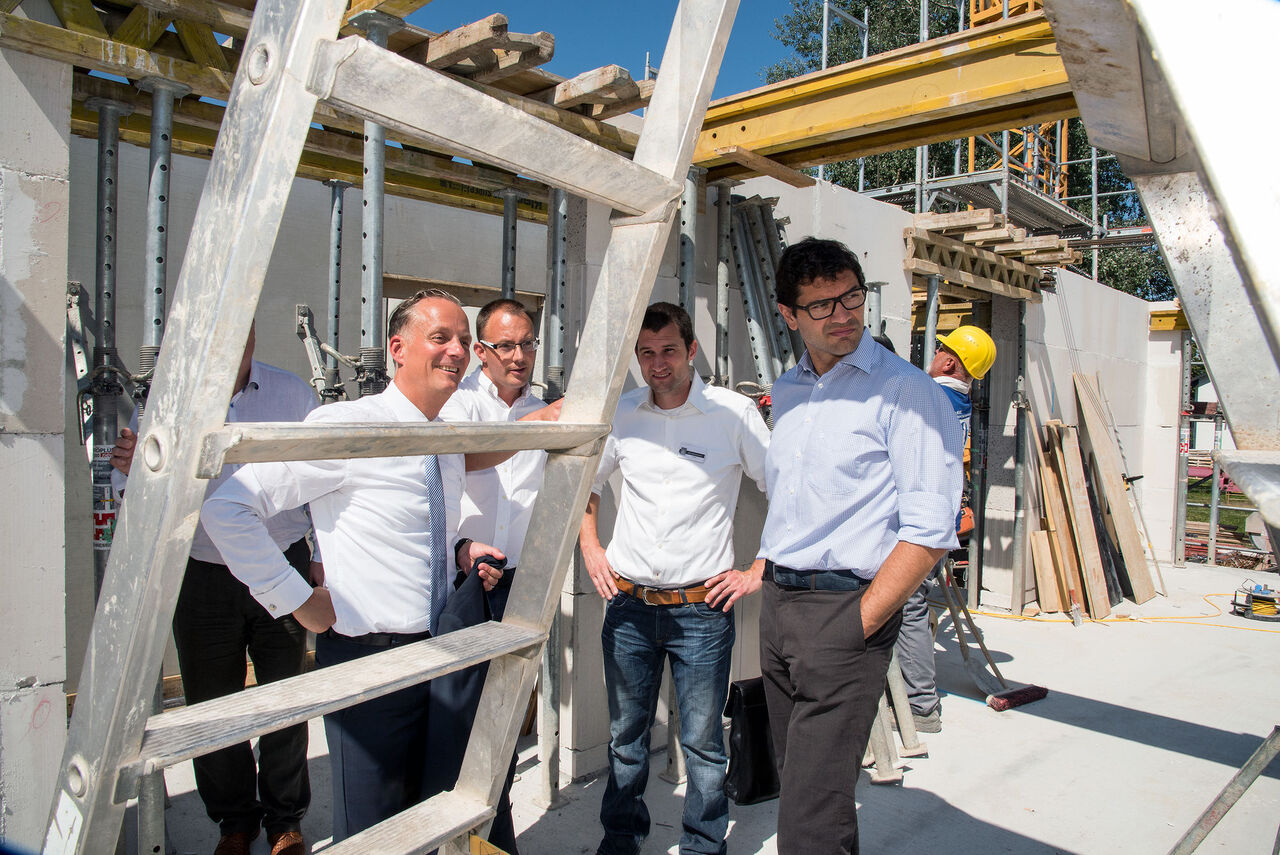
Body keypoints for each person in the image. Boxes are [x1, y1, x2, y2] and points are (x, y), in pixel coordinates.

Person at [202, 290, 509, 843]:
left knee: (444, 820)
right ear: (397, 348)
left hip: (440, 656)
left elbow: (418, 526)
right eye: (441, 338)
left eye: (464, 340)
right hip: (374, 670)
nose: (457, 351)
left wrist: (463, 552)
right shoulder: (347, 427)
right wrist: (294, 599)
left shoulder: (443, 439)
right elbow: (229, 507)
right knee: (376, 833)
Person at [753, 238, 964, 855]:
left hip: (845, 613)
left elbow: (929, 530)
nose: (843, 314)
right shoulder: (789, 390)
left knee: (808, 823)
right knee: (801, 787)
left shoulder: (905, 391)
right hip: (780, 607)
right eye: (822, 306)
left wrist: (860, 623)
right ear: (790, 316)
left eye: (851, 297)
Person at [110, 323, 318, 855]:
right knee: (210, 703)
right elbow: (128, 480)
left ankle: (284, 821)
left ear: (254, 334)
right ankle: (234, 823)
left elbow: (325, 479)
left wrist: (319, 560)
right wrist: (135, 475)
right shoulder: (170, 399)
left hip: (281, 563)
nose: (231, 341)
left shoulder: (292, 394)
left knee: (286, 697)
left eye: (244, 330)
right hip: (202, 570)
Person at [579, 301, 771, 855]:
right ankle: (620, 842)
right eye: (645, 353)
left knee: (705, 744)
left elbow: (784, 489)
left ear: (690, 350)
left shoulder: (732, 415)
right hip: (630, 607)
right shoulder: (623, 414)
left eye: (667, 350)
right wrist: (591, 546)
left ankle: (704, 844)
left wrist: (756, 569)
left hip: (702, 611)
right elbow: (586, 487)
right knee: (625, 740)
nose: (656, 364)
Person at [433, 298, 551, 854]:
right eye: (506, 344)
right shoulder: (457, 406)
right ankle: (468, 838)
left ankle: (493, 842)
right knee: (458, 725)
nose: (520, 355)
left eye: (527, 342)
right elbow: (464, 461)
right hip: (464, 580)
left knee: (501, 728)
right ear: (481, 350)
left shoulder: (546, 409)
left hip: (521, 585)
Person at [894, 324, 997, 733]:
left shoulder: (930, 395)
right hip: (941, 520)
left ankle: (920, 705)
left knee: (908, 604)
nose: (934, 354)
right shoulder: (957, 402)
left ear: (950, 360)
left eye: (940, 349)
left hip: (919, 522)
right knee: (913, 600)